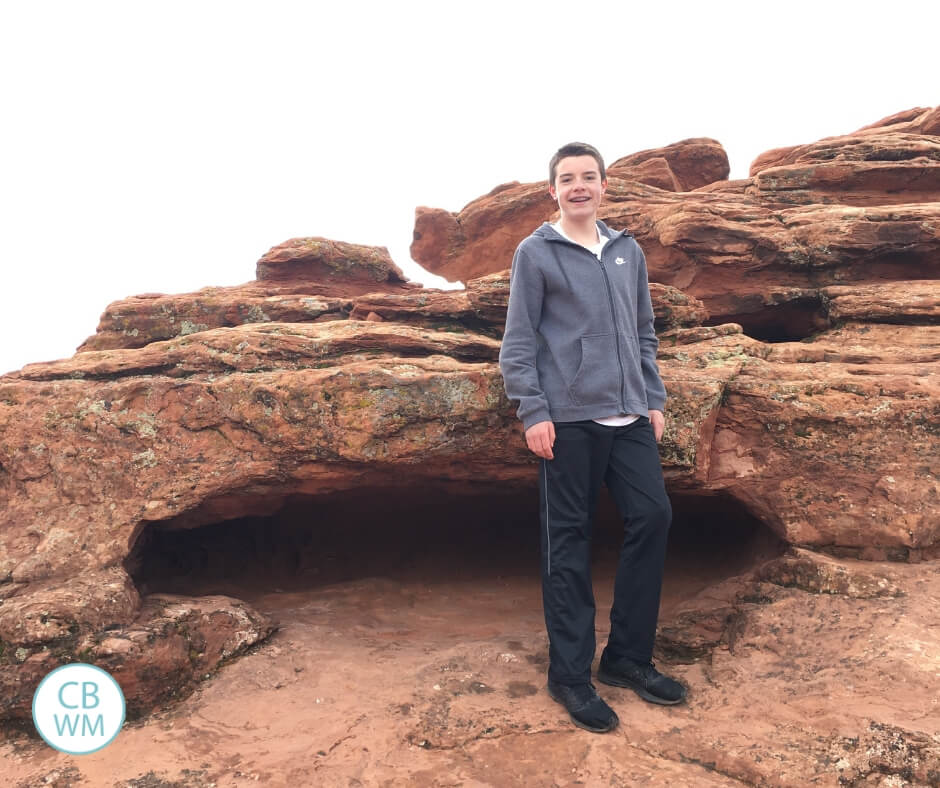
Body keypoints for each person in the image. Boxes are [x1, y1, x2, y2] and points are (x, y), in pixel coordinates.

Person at [498, 142, 686, 734]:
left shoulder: (627, 250)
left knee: (652, 517)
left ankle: (627, 658)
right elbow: (520, 340)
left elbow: (644, 331)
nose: (578, 186)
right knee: (568, 543)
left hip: (629, 416)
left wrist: (650, 398)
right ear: (551, 190)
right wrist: (533, 411)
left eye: (588, 177)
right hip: (569, 419)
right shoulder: (536, 252)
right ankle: (570, 676)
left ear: (604, 185)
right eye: (566, 178)